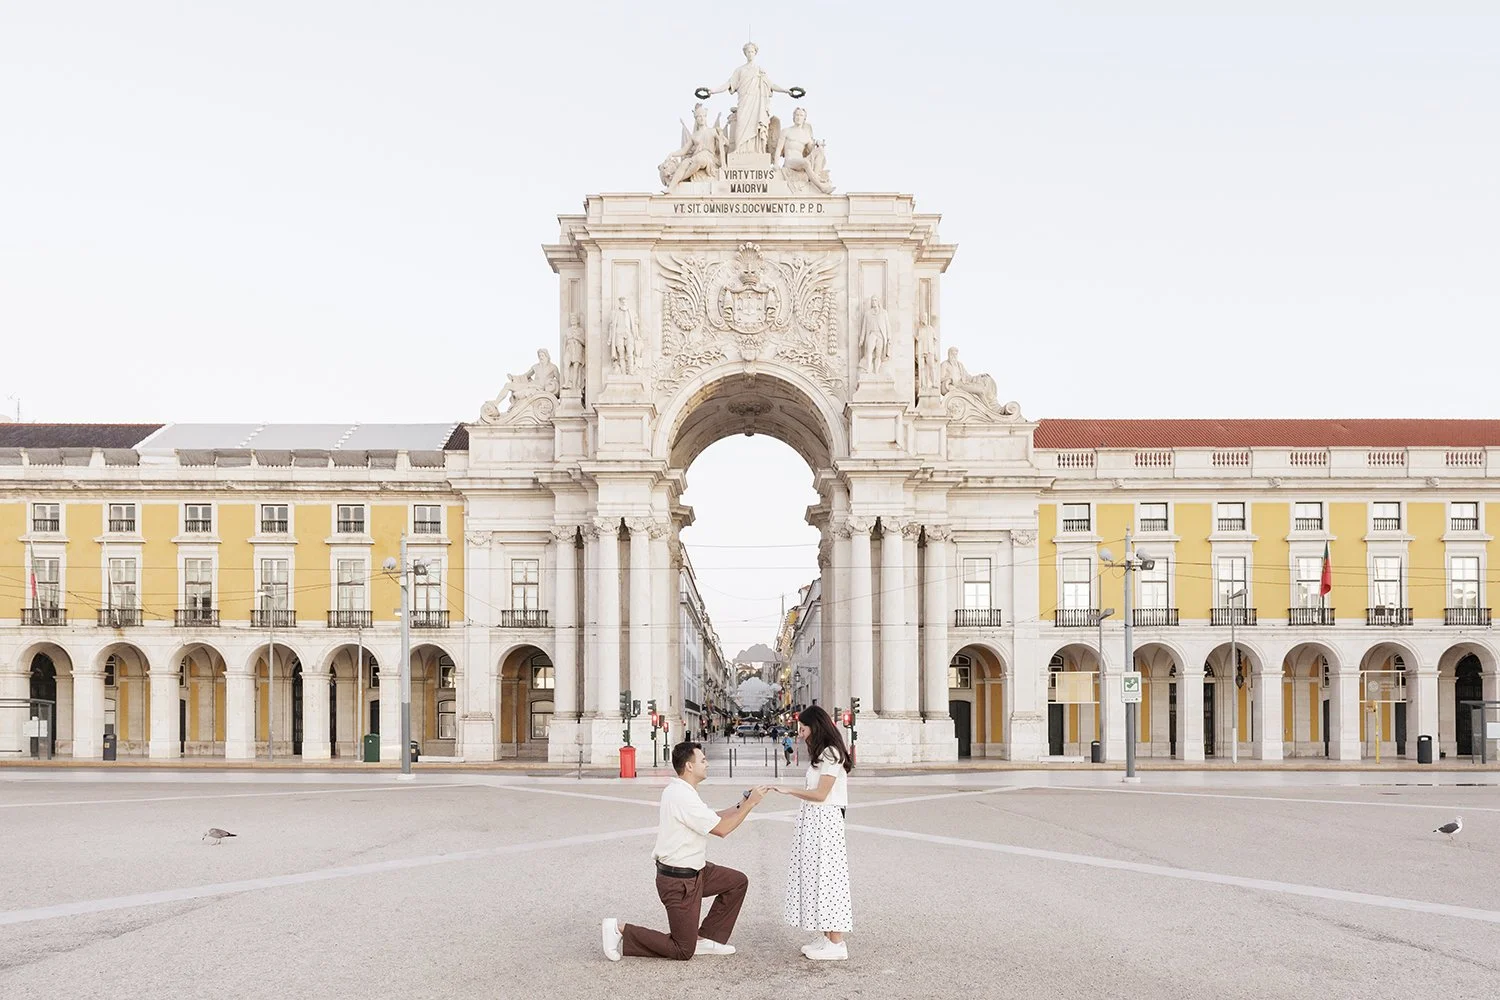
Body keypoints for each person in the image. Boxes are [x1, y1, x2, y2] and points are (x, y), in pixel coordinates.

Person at [602, 742, 770, 962]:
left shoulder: (681, 791)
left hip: (697, 871)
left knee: (737, 882)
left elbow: (712, 816)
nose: (707, 763)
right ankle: (620, 929)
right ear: (689, 766)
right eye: (702, 760)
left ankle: (707, 938)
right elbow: (721, 829)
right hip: (678, 881)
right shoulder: (682, 796)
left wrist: (743, 802)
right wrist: (751, 805)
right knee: (682, 950)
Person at [773, 705, 853, 961]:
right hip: (815, 819)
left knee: (828, 877)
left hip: (825, 819)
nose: (801, 734)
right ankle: (825, 935)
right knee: (814, 875)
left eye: (804, 729)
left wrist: (788, 791)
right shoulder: (823, 753)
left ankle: (837, 942)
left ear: (815, 727)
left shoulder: (831, 753)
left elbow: (821, 794)